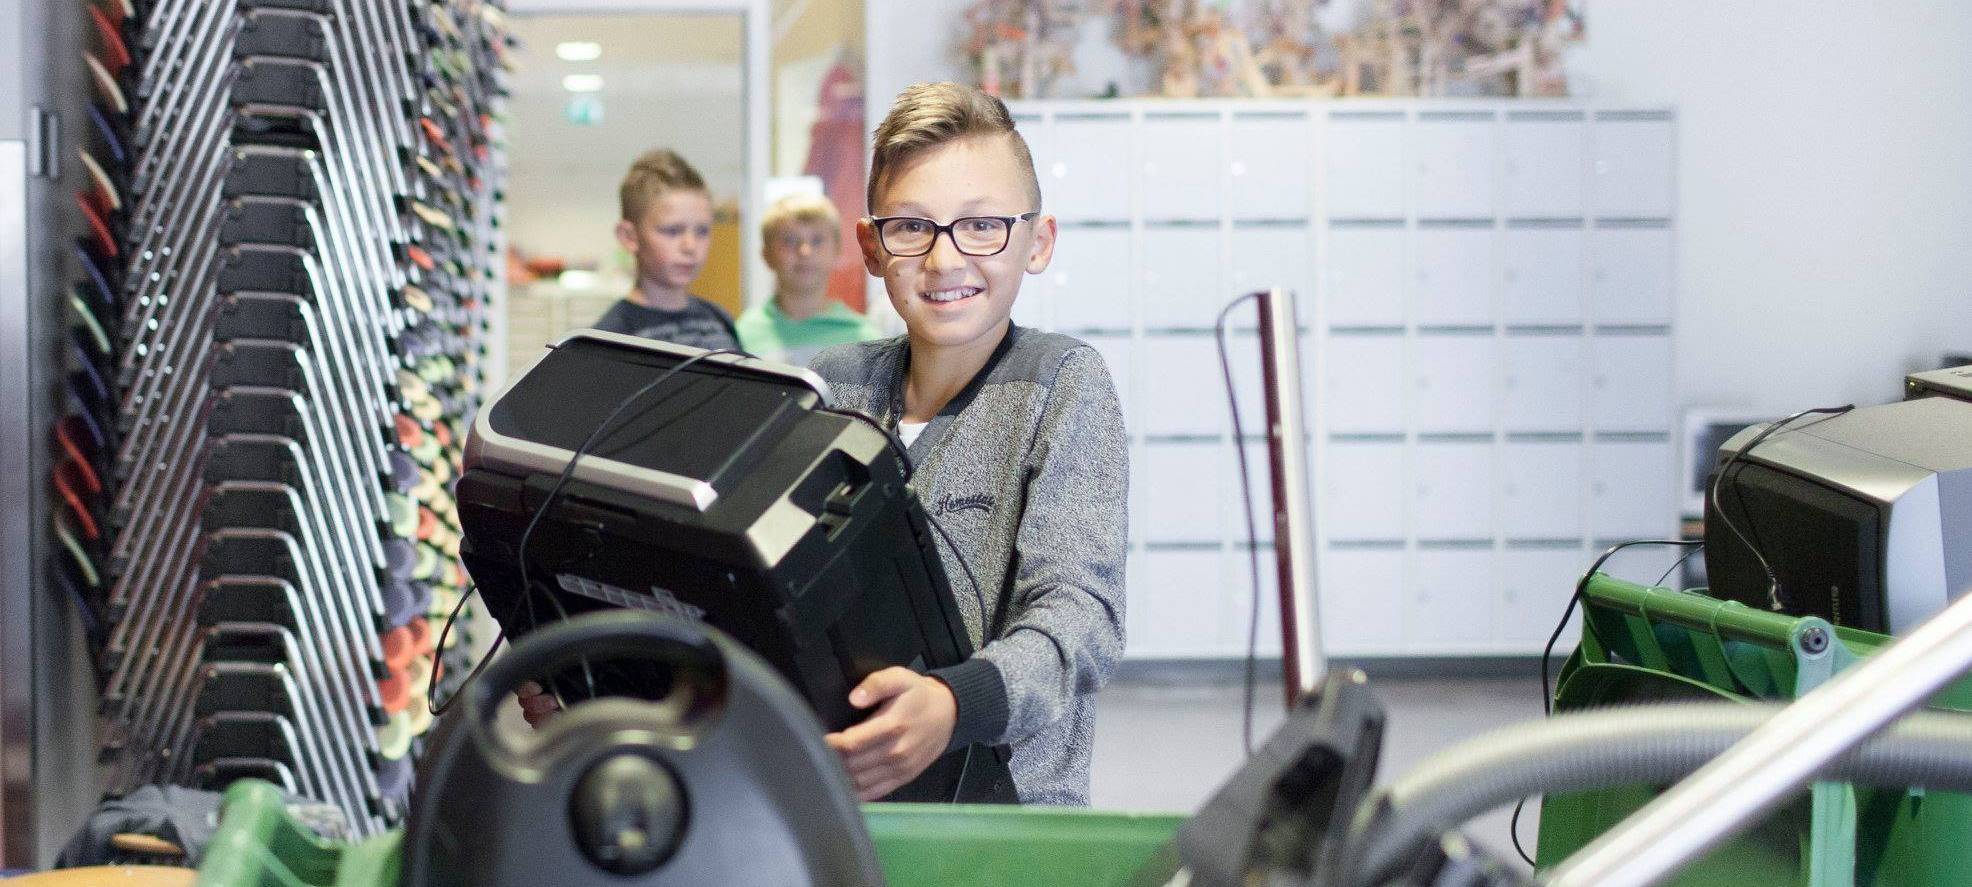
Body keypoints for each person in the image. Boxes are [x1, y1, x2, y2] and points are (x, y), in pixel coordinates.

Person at [806, 81, 1128, 805]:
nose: (946, 260)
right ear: (871, 246)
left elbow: (1081, 616)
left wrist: (955, 705)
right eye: (912, 227)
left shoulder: (1063, 385)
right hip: (835, 805)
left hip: (1002, 823)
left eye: (981, 225)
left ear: (1037, 242)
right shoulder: (828, 389)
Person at [588, 148, 740, 350]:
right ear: (629, 237)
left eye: (702, 231)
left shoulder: (718, 320)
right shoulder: (607, 341)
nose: (690, 246)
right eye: (672, 231)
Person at [734, 193, 885, 366]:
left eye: (817, 240)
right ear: (766, 255)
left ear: (836, 250)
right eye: (789, 240)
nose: (805, 251)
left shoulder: (866, 338)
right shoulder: (743, 334)